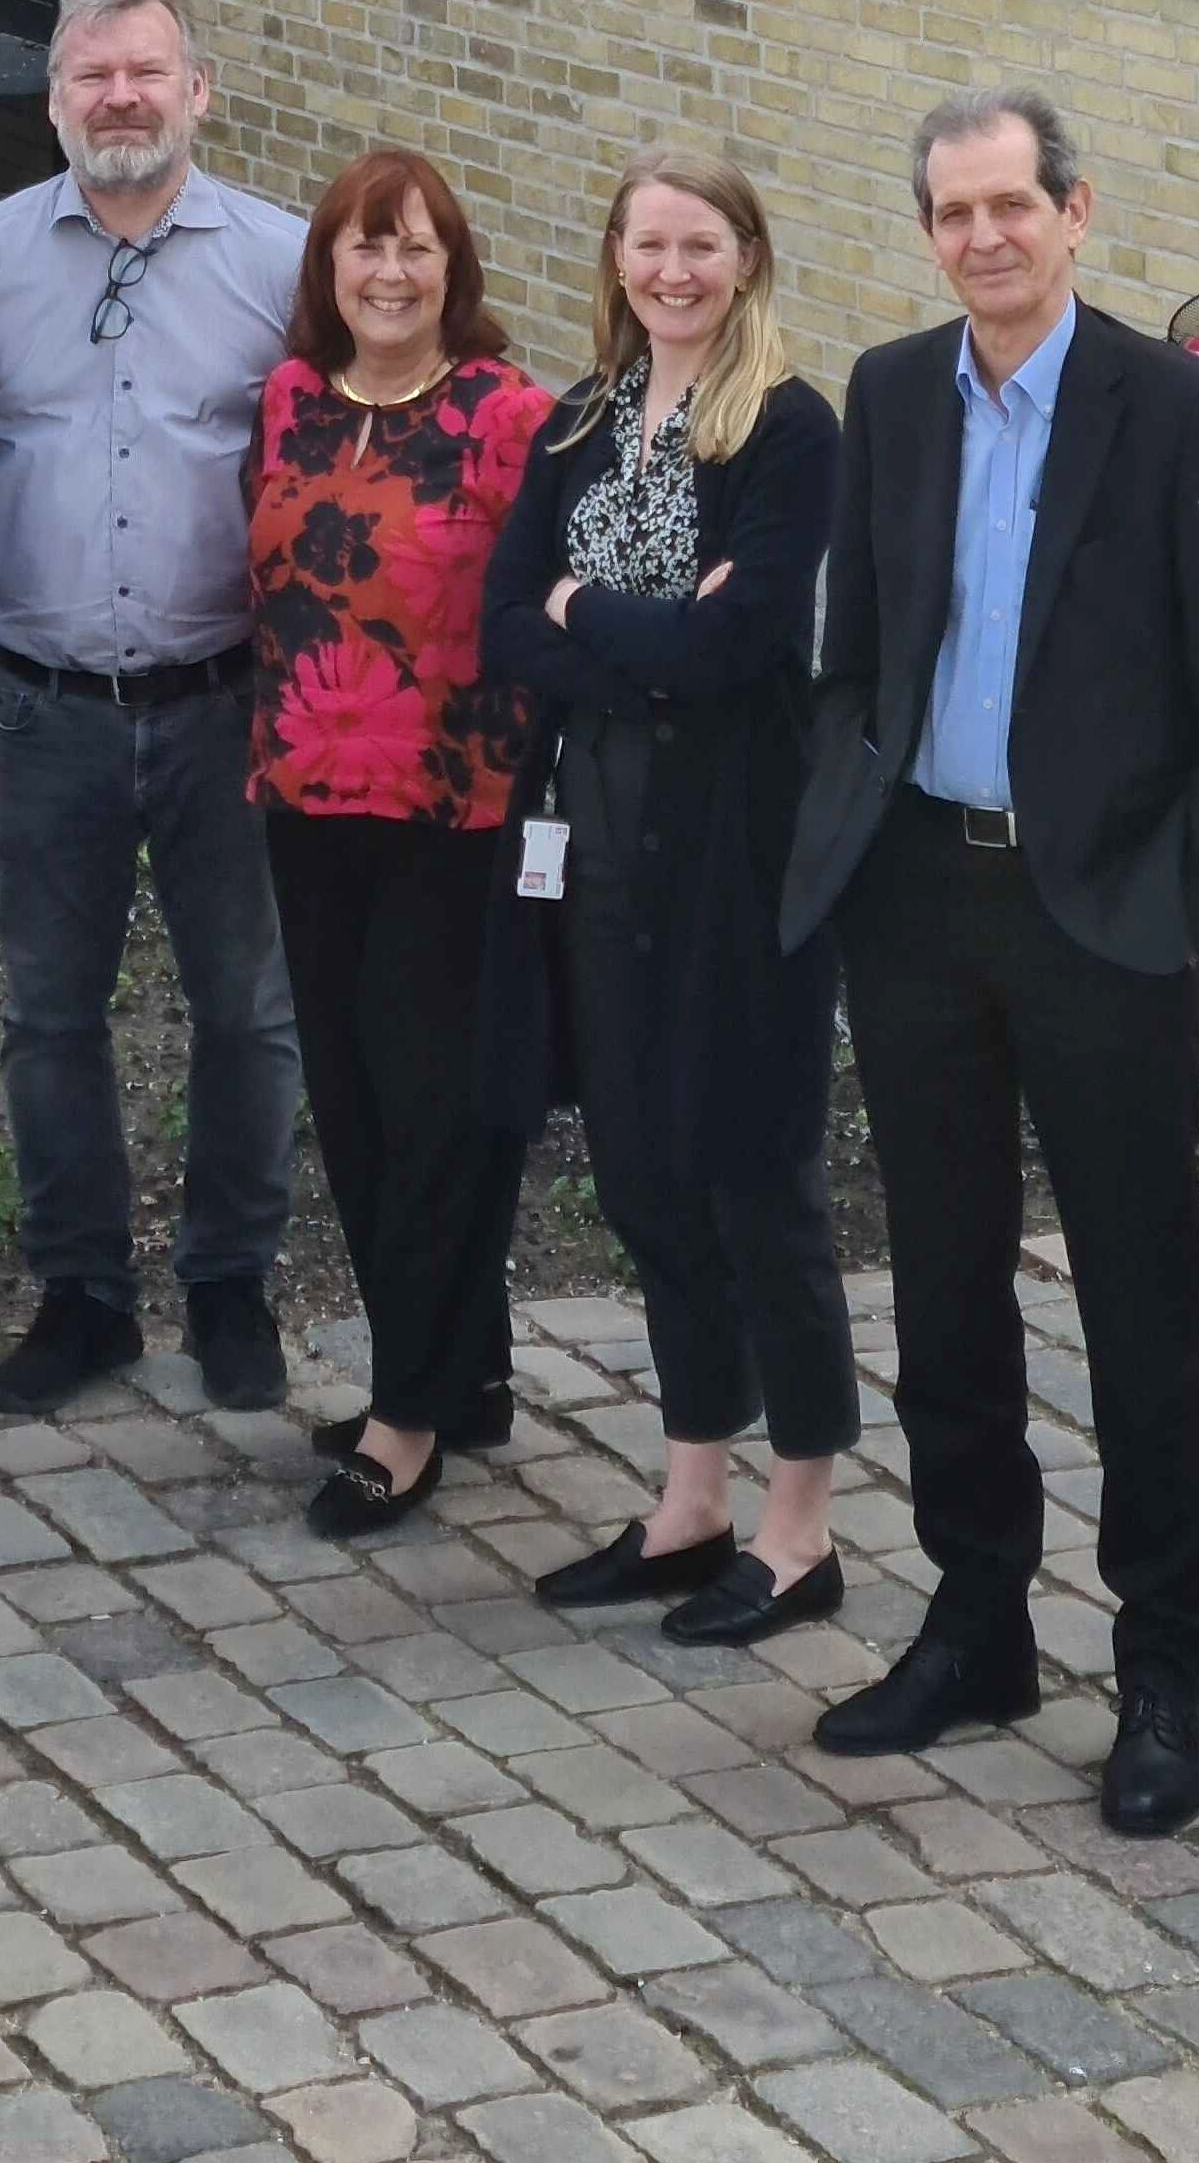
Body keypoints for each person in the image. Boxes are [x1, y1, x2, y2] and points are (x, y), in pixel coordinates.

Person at [780, 86, 1199, 1840]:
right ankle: (976, 1620)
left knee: (1141, 1303)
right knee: (942, 1284)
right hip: (920, 899)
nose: (984, 236)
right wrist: (850, 830)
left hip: (1104, 921)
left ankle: (1163, 1667)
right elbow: (854, 652)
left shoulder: (1176, 413)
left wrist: (1181, 911)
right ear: (928, 230)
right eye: (954, 211)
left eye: (1012, 203)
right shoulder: (889, 393)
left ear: (1074, 212)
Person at [0, 0, 308, 1418]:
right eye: (91, 75)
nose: (119, 98)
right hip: (46, 705)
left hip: (228, 700)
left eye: (145, 72)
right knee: (48, 1013)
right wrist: (36, 557)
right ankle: (82, 1297)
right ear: (55, 96)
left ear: (198, 91)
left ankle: (230, 1281)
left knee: (247, 1009)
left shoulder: (283, 261)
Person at [490, 146, 850, 1651]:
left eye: (701, 244)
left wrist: (586, 608)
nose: (673, 272)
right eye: (649, 244)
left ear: (746, 256)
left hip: (737, 848)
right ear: (617, 258)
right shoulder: (579, 418)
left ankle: (799, 1528)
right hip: (596, 837)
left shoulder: (789, 429)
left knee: (754, 1173)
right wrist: (633, 631)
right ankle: (691, 1498)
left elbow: (736, 644)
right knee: (642, 1169)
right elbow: (504, 622)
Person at [248, 151, 546, 1534]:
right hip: (307, 803)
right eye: (364, 246)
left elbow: (543, 606)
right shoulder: (292, 397)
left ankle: (406, 1414)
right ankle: (461, 1371)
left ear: (452, 268)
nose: (388, 271)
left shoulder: (507, 414)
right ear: (328, 267)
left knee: (430, 1110)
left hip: (453, 814)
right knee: (355, 1099)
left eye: (415, 247)